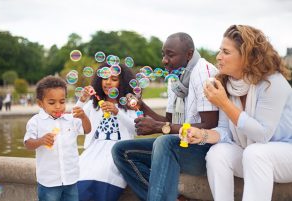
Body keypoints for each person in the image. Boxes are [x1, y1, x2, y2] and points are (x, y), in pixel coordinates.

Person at [185, 25, 292, 201]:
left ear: (247, 57)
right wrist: (202, 135)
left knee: (255, 153)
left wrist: (225, 104)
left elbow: (262, 134)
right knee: (217, 153)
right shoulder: (228, 84)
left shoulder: (273, 83)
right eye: (220, 51)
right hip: (254, 155)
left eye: (226, 52)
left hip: (286, 153)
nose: (219, 57)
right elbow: (225, 130)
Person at [112, 32, 219, 201]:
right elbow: (169, 123)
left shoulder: (203, 73)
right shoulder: (174, 78)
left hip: (205, 149)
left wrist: (157, 127)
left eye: (170, 55)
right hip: (180, 144)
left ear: (189, 54)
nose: (164, 60)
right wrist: (142, 106)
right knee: (121, 150)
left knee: (165, 142)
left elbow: (211, 124)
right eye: (163, 54)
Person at [24, 75, 91, 201]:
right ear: (40, 103)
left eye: (62, 101)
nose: (58, 106)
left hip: (70, 179)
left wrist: (84, 117)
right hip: (49, 182)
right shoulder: (36, 122)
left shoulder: (70, 119)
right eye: (51, 102)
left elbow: (87, 130)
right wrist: (41, 140)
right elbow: (28, 143)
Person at [77, 64, 137, 201]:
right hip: (93, 150)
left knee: (104, 170)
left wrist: (117, 112)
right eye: (104, 78)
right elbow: (73, 124)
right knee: (81, 170)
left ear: (122, 83)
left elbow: (137, 129)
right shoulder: (93, 105)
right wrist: (80, 102)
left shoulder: (129, 106)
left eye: (114, 79)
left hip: (117, 150)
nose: (108, 82)